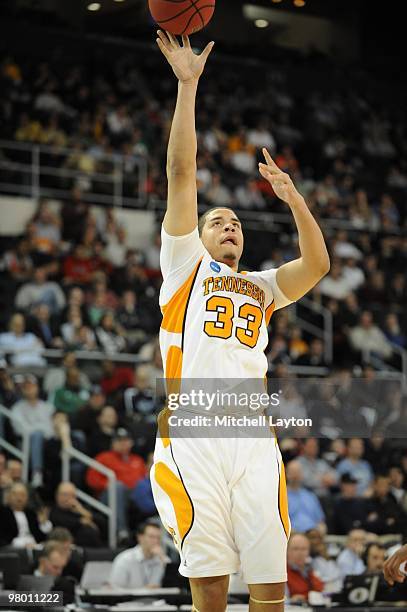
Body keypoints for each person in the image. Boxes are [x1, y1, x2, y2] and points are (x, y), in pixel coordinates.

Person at [152, 30, 330, 611]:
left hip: (254, 435)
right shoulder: (185, 267)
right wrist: (187, 86)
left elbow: (318, 264)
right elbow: (182, 170)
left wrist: (294, 199)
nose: (229, 225)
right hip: (196, 426)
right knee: (209, 588)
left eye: (235, 222)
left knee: (271, 590)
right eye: (217, 220)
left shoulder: (262, 288)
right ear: (198, 238)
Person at [86, 428, 146, 539]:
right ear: (113, 443)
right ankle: (121, 531)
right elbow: (91, 479)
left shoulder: (137, 460)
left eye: (126, 440)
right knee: (117, 486)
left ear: (131, 442)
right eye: (119, 440)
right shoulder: (104, 457)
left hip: (133, 497)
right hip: (109, 496)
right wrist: (106, 484)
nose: (123, 443)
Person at [10, 374, 54, 487]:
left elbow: (50, 430)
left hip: (47, 442)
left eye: (31, 386)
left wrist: (36, 429)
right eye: (26, 387)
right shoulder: (17, 408)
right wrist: (39, 428)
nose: (29, 389)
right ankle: (37, 473)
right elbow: (20, 429)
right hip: (25, 443)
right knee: (37, 435)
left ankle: (40, 473)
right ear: (22, 390)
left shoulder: (47, 407)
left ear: (37, 387)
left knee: (39, 435)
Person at [110, 521, 169, 588]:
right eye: (151, 537)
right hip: (130, 598)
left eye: (158, 538)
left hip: (158, 598)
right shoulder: (124, 559)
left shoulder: (163, 559)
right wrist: (144, 591)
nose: (156, 541)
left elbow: (174, 586)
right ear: (140, 537)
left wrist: (163, 559)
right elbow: (115, 589)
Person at [50, 481, 104, 547]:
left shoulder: (79, 509)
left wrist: (82, 511)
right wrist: (81, 522)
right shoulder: (54, 511)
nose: (68, 498)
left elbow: (102, 522)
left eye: (71, 495)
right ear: (57, 495)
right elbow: (60, 521)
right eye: (65, 494)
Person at [0, 482, 51, 547]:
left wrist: (43, 523)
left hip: (33, 545)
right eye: (15, 494)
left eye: (22, 495)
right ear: (8, 496)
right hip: (12, 547)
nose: (19, 498)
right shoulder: (2, 513)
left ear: (27, 498)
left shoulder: (31, 514)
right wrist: (21, 545)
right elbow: (3, 537)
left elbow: (40, 536)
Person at [286, 460, 326, 533]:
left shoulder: (311, 496)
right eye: (292, 472)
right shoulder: (282, 496)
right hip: (292, 534)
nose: (295, 475)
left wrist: (320, 530)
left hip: (312, 533)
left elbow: (321, 522)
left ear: (302, 474)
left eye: (298, 472)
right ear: (287, 474)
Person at [286, 533, 324, 603]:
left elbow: (323, 590)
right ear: (287, 550)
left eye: (304, 549)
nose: (300, 553)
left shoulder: (312, 567)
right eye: (295, 549)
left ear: (309, 551)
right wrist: (291, 600)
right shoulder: (283, 572)